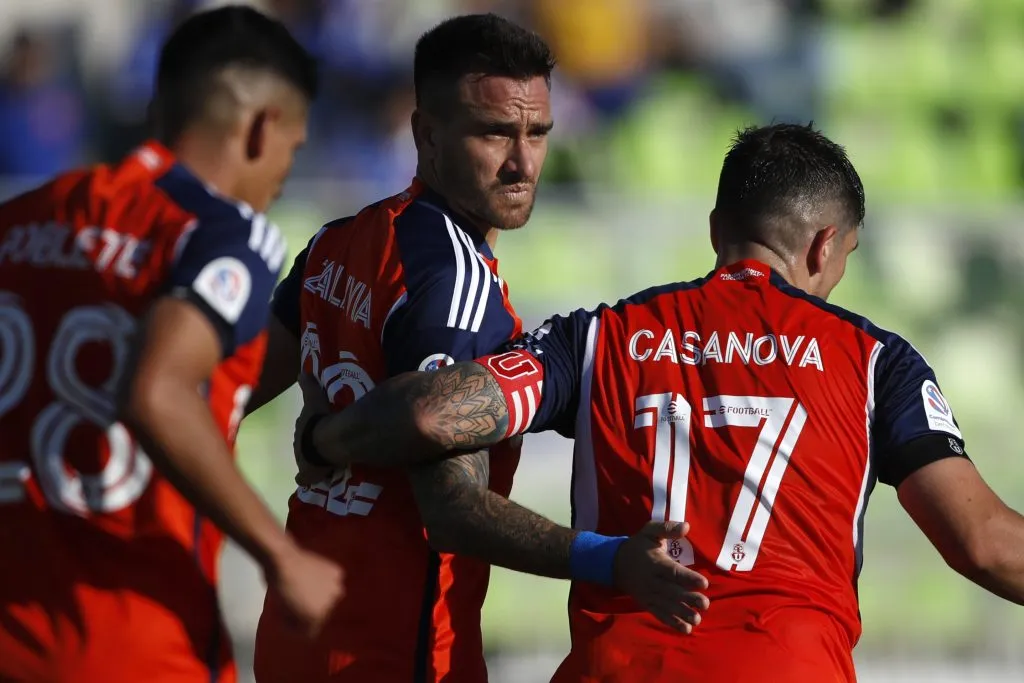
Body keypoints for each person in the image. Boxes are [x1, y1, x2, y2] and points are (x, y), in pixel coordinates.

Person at [294, 123, 1024, 682]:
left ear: (716, 230)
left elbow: (432, 413)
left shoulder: (601, 336)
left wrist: (328, 437)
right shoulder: (873, 361)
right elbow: (986, 544)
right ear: (826, 245)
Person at [246, 13, 707, 683]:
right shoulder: (455, 287)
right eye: (495, 133)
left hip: (294, 637)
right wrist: (611, 560)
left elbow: (230, 388)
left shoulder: (337, 241)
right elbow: (452, 508)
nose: (522, 163)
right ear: (426, 134)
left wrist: (319, 441)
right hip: (393, 649)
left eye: (538, 133)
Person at [0, 7, 342, 683]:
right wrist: (282, 555)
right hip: (133, 643)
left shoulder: (23, 219)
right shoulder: (220, 236)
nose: (280, 180)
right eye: (291, 154)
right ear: (261, 127)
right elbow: (159, 392)